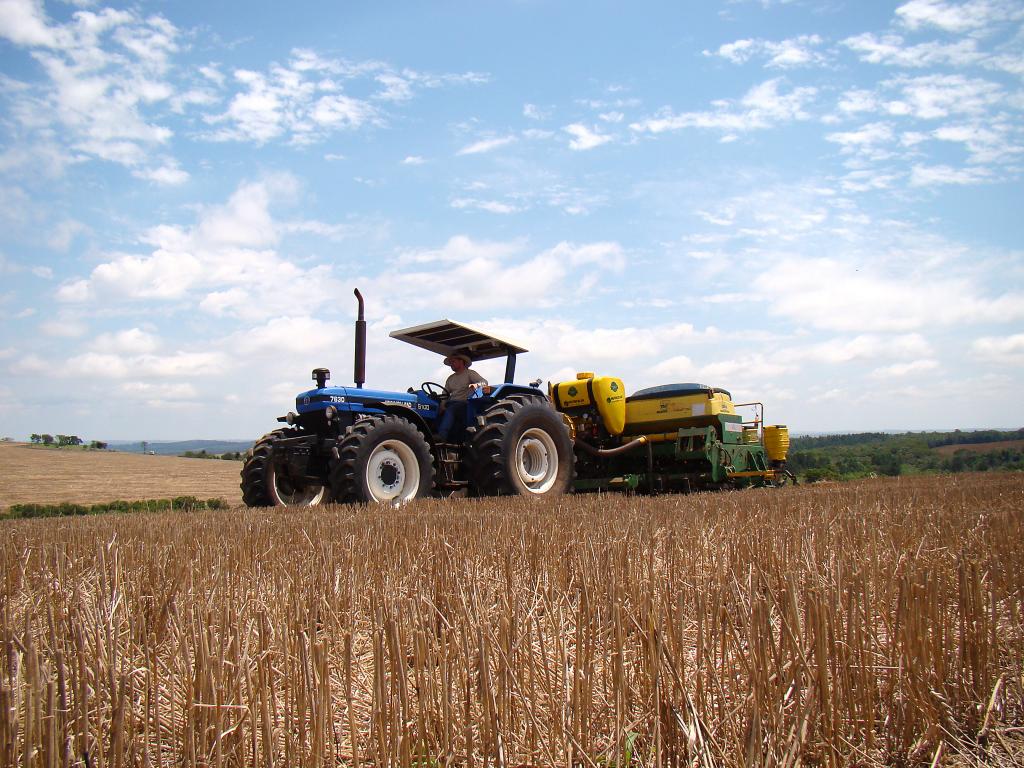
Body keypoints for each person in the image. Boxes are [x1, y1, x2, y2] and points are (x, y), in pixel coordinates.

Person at [436, 353, 487, 441]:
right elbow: (445, 393)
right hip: (451, 403)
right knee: (435, 408)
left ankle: (442, 435)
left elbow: (484, 382)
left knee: (451, 409)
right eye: (450, 362)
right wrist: (441, 405)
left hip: (464, 403)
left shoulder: (469, 373)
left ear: (461, 362)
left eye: (453, 362)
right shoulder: (450, 378)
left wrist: (474, 386)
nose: (451, 364)